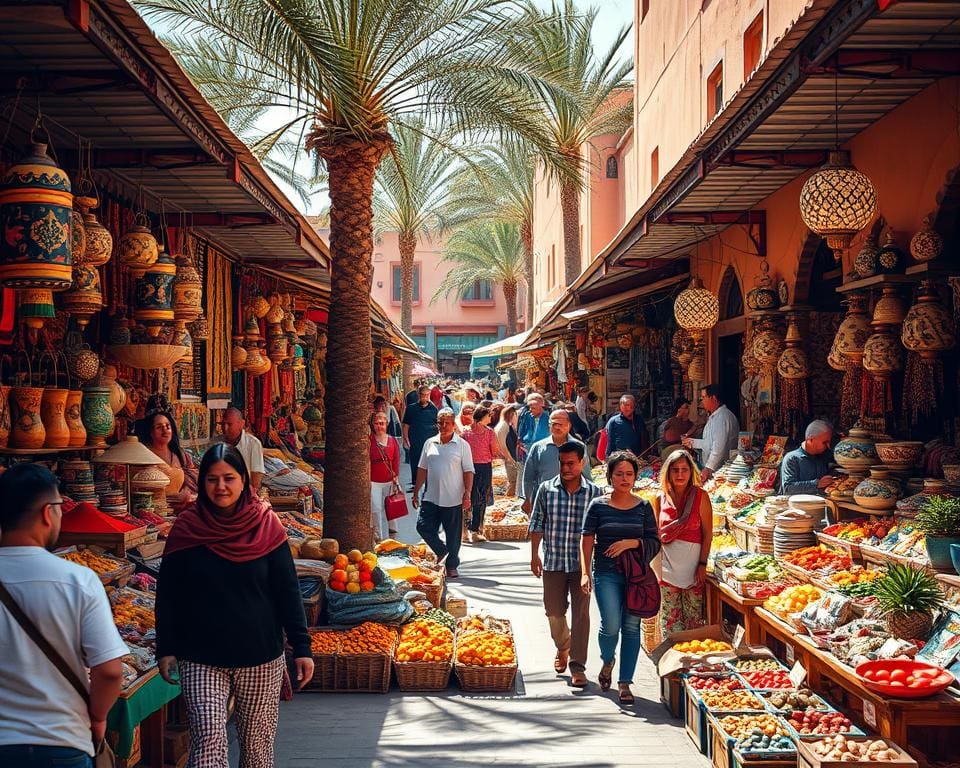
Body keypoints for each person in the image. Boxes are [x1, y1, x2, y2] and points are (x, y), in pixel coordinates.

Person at [156, 444, 312, 768]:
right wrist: (166, 647)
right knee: (208, 742)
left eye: (229, 478)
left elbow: (287, 590)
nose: (221, 487)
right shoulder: (187, 529)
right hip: (200, 657)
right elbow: (169, 594)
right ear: (202, 483)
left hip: (260, 657)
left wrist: (302, 646)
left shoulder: (267, 527)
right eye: (212, 480)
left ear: (244, 480)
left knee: (257, 750)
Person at [0, 464, 126, 768]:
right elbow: (109, 671)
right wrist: (98, 717)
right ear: (47, 513)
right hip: (62, 741)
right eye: (59, 507)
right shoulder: (78, 580)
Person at [580, 451, 661, 706]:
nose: (624, 479)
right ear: (610, 476)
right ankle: (607, 660)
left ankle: (625, 682)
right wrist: (585, 572)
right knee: (611, 624)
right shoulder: (598, 506)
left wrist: (631, 542)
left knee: (631, 627)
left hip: (636, 576)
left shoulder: (644, 506)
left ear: (636, 476)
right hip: (606, 573)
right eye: (619, 474)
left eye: (629, 474)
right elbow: (587, 539)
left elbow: (654, 541)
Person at [529, 442, 603, 688]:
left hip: (582, 567)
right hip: (553, 561)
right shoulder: (546, 490)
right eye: (562, 463)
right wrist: (534, 555)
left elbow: (601, 530)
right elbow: (537, 523)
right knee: (553, 611)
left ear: (582, 463)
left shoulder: (595, 493)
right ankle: (563, 645)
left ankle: (578, 666)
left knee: (581, 615)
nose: (566, 468)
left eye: (571, 463)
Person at [652, 450, 713, 637]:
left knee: (694, 624)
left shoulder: (701, 497)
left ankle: (693, 666)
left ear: (691, 472)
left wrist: (702, 564)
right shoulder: (658, 498)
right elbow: (654, 536)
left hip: (693, 570)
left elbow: (707, 533)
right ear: (668, 472)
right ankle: (673, 664)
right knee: (670, 624)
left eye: (684, 470)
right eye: (675, 470)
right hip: (666, 571)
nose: (680, 474)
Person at [412, 409, 475, 579]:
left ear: (454, 424)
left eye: (448, 422)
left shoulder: (462, 445)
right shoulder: (429, 443)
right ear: (437, 424)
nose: (444, 426)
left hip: (454, 498)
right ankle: (441, 550)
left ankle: (452, 565)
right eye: (441, 422)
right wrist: (416, 491)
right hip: (431, 496)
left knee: (453, 536)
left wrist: (467, 494)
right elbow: (422, 468)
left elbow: (469, 471)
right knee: (423, 526)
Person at [520, 409, 591, 514]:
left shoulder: (579, 447)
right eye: (554, 424)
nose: (557, 427)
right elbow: (528, 477)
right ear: (549, 426)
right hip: (545, 502)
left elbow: (586, 475)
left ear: (569, 425)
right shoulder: (538, 447)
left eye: (560, 424)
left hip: (572, 501)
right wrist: (528, 499)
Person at [136, 408, 198, 507]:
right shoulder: (144, 455)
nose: (165, 430)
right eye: (159, 427)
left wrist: (187, 494)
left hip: (179, 511)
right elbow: (138, 489)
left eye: (167, 426)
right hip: (153, 510)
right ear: (151, 432)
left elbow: (192, 483)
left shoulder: (180, 454)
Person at [460, 404, 502, 544]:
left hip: (468, 468)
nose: (491, 417)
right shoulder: (489, 433)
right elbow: (495, 450)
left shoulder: (465, 433)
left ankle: (464, 531)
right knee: (481, 499)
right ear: (483, 417)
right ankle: (476, 530)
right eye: (489, 415)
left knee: (467, 498)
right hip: (484, 468)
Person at [683, 384, 740, 481]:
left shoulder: (722, 417)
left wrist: (708, 468)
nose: (702, 401)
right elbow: (710, 443)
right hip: (716, 470)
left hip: (720, 471)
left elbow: (719, 447)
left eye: (704, 397)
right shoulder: (716, 416)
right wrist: (692, 442)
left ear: (713, 398)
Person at [780, 420, 837, 495]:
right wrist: (816, 484)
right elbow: (788, 489)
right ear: (811, 439)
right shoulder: (792, 458)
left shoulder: (824, 456)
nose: (828, 446)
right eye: (825, 442)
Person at [370, 412, 402, 542]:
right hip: (373, 481)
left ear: (386, 424)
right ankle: (378, 536)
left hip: (389, 480)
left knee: (392, 508)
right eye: (377, 424)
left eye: (382, 423)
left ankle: (393, 534)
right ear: (373, 425)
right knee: (376, 509)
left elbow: (396, 459)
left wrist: (396, 477)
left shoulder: (393, 440)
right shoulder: (369, 440)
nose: (379, 426)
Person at [219, 406, 266, 492]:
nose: (225, 429)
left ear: (241, 424)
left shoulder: (253, 444)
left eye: (229, 424)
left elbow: (255, 481)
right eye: (223, 424)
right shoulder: (216, 443)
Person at [402, 384, 439, 491]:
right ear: (419, 395)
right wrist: (405, 439)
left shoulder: (433, 409)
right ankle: (415, 483)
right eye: (423, 395)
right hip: (415, 438)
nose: (425, 397)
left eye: (428, 395)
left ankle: (429, 482)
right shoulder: (411, 408)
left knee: (430, 461)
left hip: (430, 439)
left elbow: (437, 424)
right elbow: (406, 425)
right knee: (415, 461)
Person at [494, 404, 521, 496]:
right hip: (510, 457)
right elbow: (503, 445)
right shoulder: (503, 426)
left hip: (511, 456)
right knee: (513, 481)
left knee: (514, 481)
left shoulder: (506, 425)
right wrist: (510, 459)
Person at [516, 392, 549, 460]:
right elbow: (521, 432)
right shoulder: (527, 416)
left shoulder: (548, 418)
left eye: (533, 407)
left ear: (541, 406)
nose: (530, 410)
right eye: (529, 407)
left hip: (542, 451)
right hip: (527, 450)